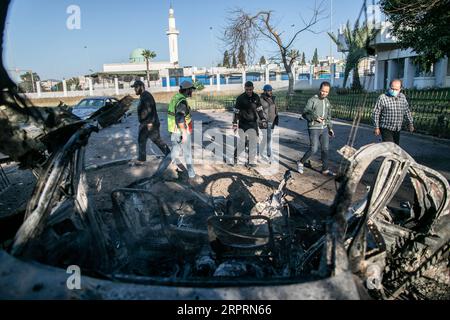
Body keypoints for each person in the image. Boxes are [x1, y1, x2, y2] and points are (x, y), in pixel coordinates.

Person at [298, 81, 335, 176]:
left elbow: (329, 116)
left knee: (325, 149)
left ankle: (325, 169)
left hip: (324, 128)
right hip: (314, 127)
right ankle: (301, 162)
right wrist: (315, 118)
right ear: (319, 89)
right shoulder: (312, 100)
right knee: (314, 149)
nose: (324, 93)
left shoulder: (327, 102)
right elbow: (305, 113)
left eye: (326, 92)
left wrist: (330, 128)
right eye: (323, 91)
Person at [132, 80, 170, 164]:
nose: (134, 89)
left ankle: (169, 154)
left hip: (149, 123)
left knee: (156, 140)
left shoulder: (146, 96)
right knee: (142, 140)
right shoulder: (143, 96)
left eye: (136, 87)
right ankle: (141, 159)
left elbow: (150, 110)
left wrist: (150, 123)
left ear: (141, 87)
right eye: (134, 87)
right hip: (145, 123)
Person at [232, 81, 267, 167]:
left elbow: (259, 109)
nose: (249, 91)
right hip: (243, 123)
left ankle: (250, 161)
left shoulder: (256, 97)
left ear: (253, 88)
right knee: (244, 142)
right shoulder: (240, 98)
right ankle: (235, 157)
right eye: (247, 89)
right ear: (245, 88)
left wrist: (262, 119)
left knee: (253, 142)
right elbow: (236, 111)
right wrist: (235, 123)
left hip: (253, 123)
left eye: (250, 89)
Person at [372, 79, 414, 145]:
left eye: (396, 89)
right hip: (386, 128)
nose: (394, 91)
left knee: (396, 147)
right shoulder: (382, 98)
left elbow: (407, 110)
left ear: (400, 89)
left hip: (397, 128)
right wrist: (376, 127)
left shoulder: (402, 97)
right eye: (392, 88)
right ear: (389, 87)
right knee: (389, 146)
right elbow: (376, 113)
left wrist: (410, 123)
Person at [168, 80, 196, 178]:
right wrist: (184, 133)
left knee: (174, 152)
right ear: (187, 90)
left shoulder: (176, 97)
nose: (192, 92)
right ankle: (192, 175)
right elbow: (180, 118)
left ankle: (169, 168)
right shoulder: (182, 101)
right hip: (181, 131)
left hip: (173, 130)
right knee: (187, 154)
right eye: (191, 90)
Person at [260, 84, 279, 162]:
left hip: (273, 121)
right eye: (269, 90)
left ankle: (261, 150)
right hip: (265, 122)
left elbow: (275, 110)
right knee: (269, 139)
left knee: (266, 139)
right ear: (264, 91)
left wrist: (276, 119)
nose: (270, 92)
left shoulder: (273, 98)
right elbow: (258, 111)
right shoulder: (261, 100)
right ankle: (270, 157)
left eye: (271, 90)